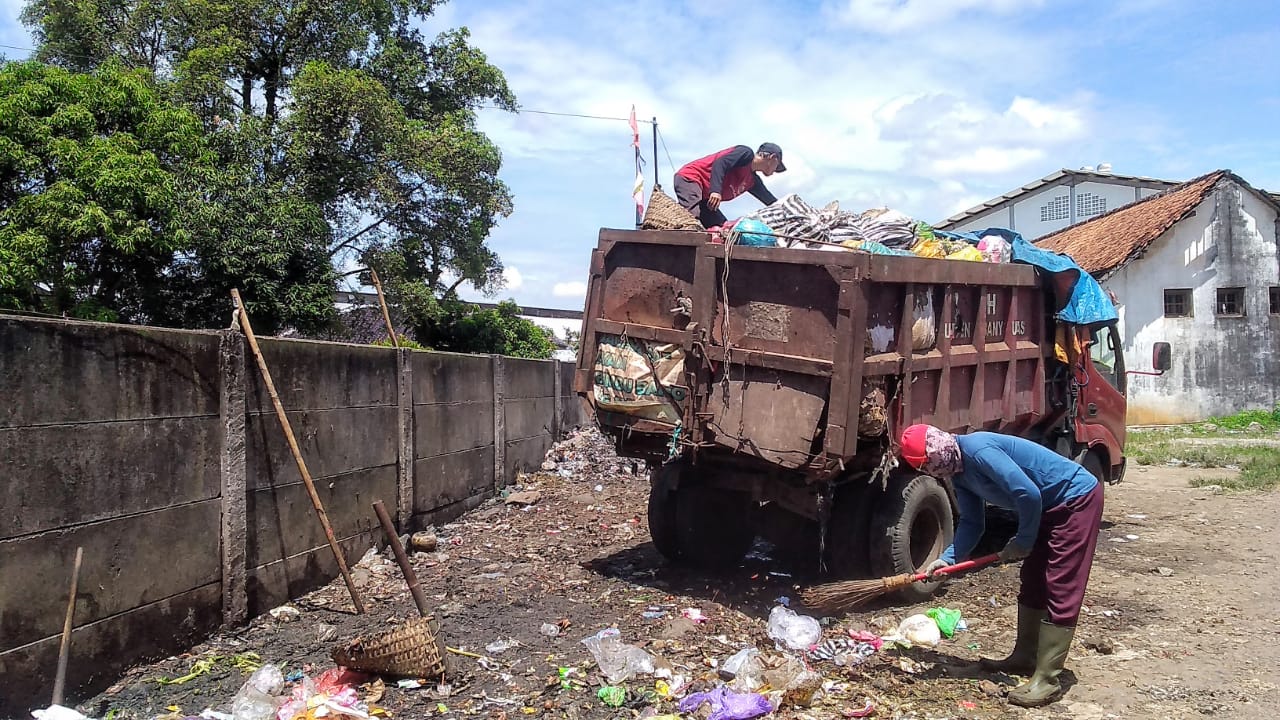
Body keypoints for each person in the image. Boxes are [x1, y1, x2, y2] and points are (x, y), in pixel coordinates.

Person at [898, 424, 1104, 708]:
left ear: (938, 449)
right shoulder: (958, 471)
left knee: (1060, 581)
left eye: (929, 464)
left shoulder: (978, 450)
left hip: (1075, 499)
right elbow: (972, 522)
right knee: (1032, 579)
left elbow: (1027, 493)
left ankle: (1047, 678)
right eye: (926, 468)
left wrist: (1024, 540)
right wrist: (947, 558)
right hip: (1048, 506)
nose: (932, 471)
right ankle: (1025, 657)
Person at [673, 143, 785, 228]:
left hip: (704, 198)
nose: (775, 171)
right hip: (691, 178)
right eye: (777, 166)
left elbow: (771, 201)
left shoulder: (752, 181)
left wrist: (788, 212)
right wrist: (715, 191)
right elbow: (720, 163)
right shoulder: (745, 154)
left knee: (722, 228)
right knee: (692, 219)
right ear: (772, 158)